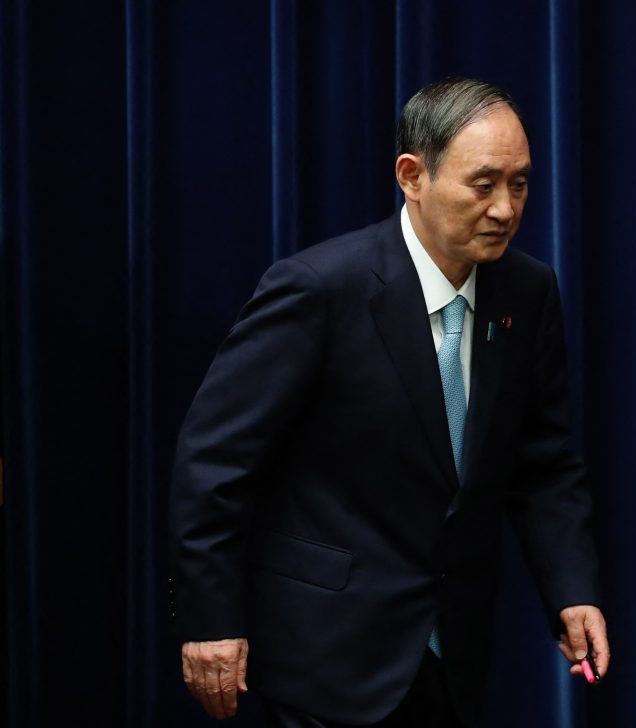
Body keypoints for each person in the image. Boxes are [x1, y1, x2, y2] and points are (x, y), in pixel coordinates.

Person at [168, 77, 609, 727]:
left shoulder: (527, 290)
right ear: (412, 176)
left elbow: (542, 463)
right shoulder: (319, 290)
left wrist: (572, 592)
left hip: (452, 654)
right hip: (325, 655)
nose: (505, 208)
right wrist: (211, 621)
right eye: (483, 184)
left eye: (519, 184)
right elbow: (214, 464)